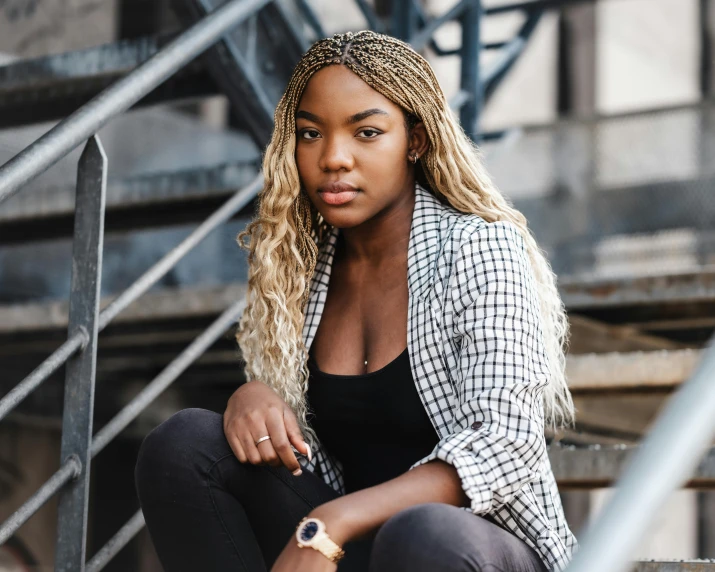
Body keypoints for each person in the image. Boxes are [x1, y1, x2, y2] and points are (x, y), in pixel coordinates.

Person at [135, 30, 578, 572]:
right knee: (186, 446)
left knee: (422, 534)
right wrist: (253, 397)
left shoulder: (477, 247)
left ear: (415, 140)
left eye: (366, 132)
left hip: (471, 549)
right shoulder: (300, 268)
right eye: (311, 133)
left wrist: (333, 522)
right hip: (350, 551)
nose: (334, 158)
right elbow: (300, 452)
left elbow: (507, 444)